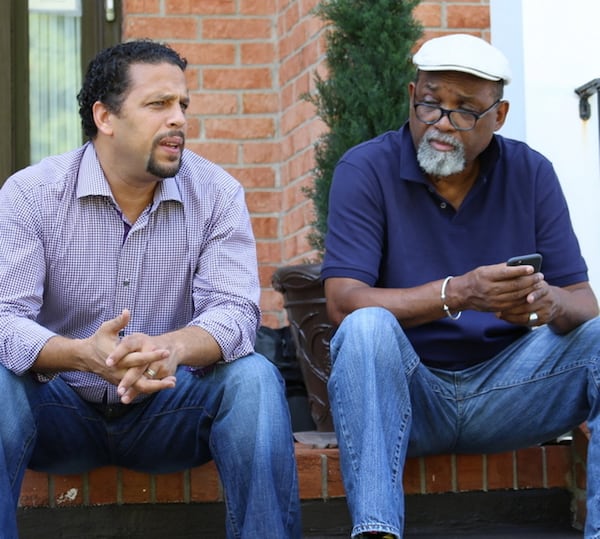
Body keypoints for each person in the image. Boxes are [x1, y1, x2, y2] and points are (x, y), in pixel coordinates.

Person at [0, 39, 301, 539]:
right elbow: (5, 317)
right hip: (58, 413)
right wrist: (80, 354)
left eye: (183, 104)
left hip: (169, 412)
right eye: (158, 104)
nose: (178, 118)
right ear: (105, 117)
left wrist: (171, 348)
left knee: (254, 379)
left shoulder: (218, 193)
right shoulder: (31, 195)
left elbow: (235, 313)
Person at [321, 33, 600, 539]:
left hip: (511, 391)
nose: (443, 123)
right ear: (411, 96)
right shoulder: (366, 168)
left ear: (500, 115)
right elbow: (342, 301)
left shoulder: (532, 173)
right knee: (365, 329)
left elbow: (585, 304)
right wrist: (458, 293)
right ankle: (377, 531)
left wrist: (546, 302)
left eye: (466, 110)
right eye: (431, 103)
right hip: (408, 396)